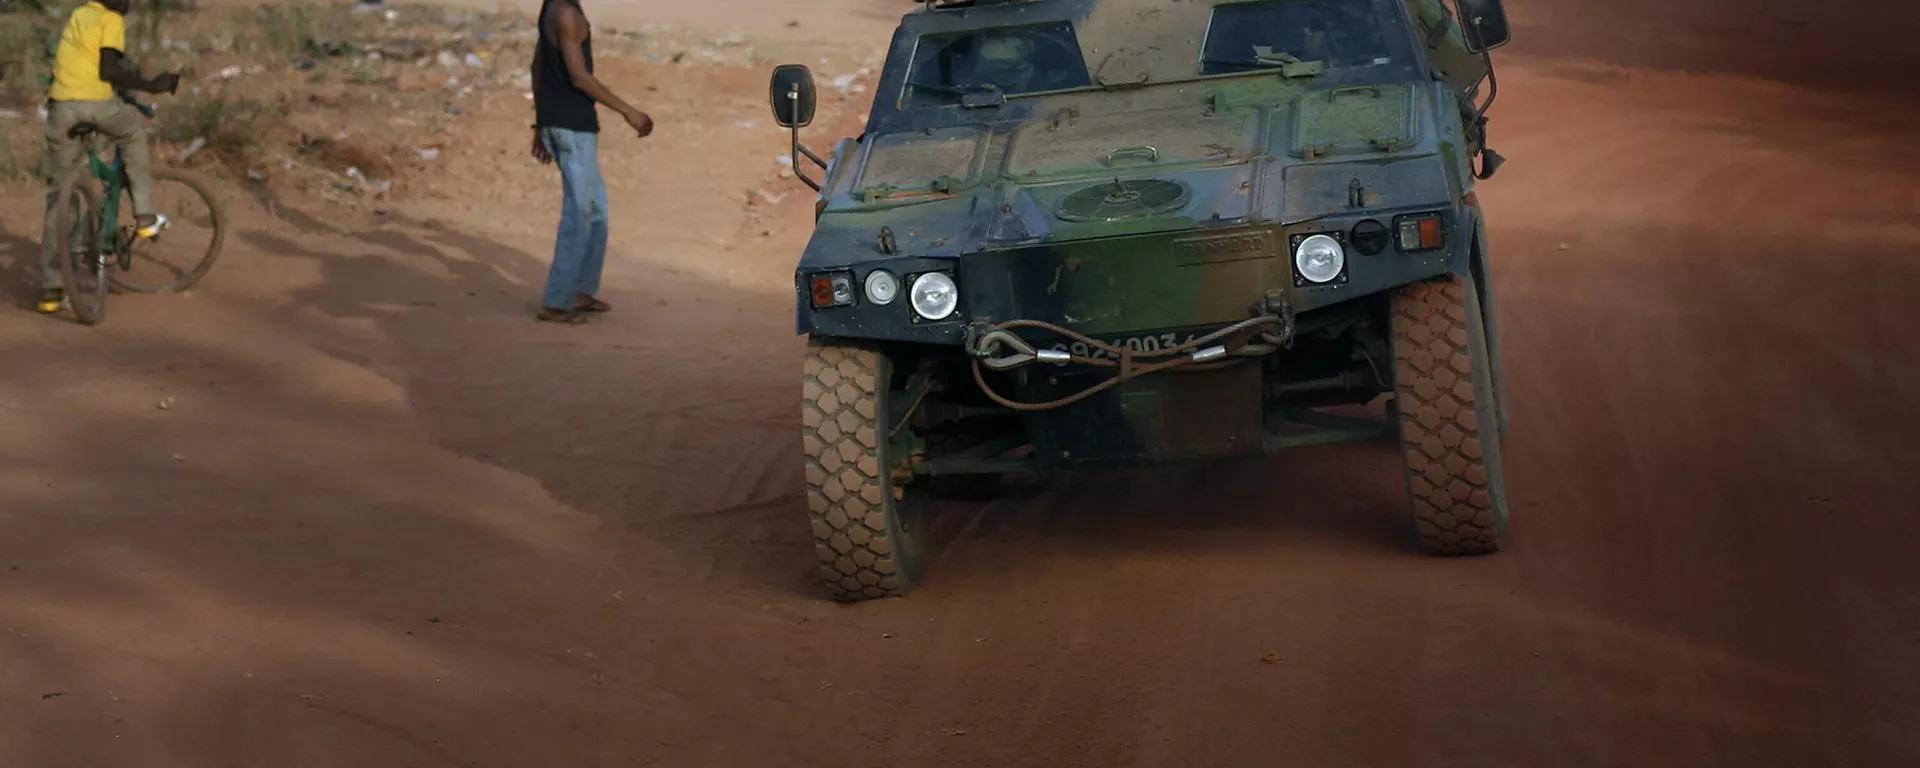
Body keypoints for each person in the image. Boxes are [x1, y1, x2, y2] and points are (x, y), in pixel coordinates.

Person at [36, 0, 179, 315]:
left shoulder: (79, 15)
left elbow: (89, 64)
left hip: (62, 109)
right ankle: (144, 215)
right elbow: (108, 69)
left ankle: (51, 288)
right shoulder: (110, 19)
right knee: (132, 135)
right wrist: (151, 85)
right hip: (96, 106)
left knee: (60, 195)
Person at [527, 0, 654, 324]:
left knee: (597, 211)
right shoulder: (567, 13)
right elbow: (579, 77)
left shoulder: (554, 7)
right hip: (572, 127)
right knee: (579, 213)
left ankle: (581, 290)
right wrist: (628, 110)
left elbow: (538, 66)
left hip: (563, 123)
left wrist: (540, 123)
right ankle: (557, 302)